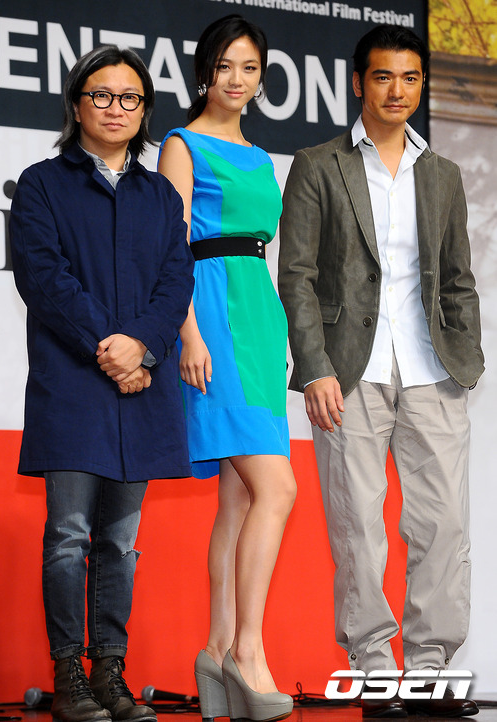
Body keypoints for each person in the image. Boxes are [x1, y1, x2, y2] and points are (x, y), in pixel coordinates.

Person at [279, 24, 484, 719]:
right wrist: (314, 367)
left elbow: (457, 278)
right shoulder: (318, 164)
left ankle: (429, 670)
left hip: (433, 371)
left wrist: (467, 357)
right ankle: (372, 667)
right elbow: (297, 275)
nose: (398, 90)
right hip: (348, 373)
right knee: (358, 527)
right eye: (383, 76)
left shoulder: (442, 173)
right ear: (358, 83)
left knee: (444, 525)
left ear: (422, 85)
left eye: (411, 78)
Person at [10, 45, 194, 722]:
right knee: (68, 535)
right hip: (74, 385)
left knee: (120, 543)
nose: (116, 108)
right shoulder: (41, 185)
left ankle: (110, 674)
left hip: (141, 387)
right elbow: (44, 279)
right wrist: (110, 348)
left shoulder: (159, 194)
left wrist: (142, 346)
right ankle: (69, 677)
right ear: (76, 103)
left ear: (145, 110)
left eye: (130, 97)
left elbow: (176, 281)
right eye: (101, 95)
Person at [158, 14, 296, 722]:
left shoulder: (261, 155)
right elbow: (170, 247)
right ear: (203, 72)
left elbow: (263, 246)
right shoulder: (181, 145)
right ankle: (248, 652)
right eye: (224, 66)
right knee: (279, 488)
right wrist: (187, 333)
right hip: (212, 316)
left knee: (239, 499)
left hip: (260, 318)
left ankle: (215, 650)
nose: (236, 79)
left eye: (249, 68)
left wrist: (278, 331)